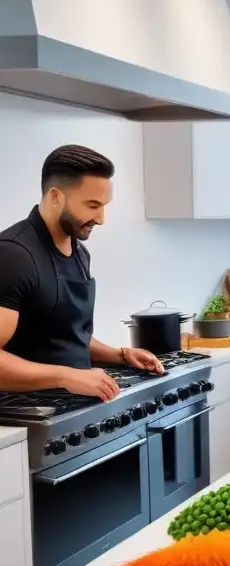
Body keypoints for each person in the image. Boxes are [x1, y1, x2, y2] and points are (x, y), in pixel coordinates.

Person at [0, 145, 164, 400]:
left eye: (103, 206)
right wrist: (67, 376)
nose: (101, 218)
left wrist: (119, 354)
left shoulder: (78, 251)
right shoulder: (13, 255)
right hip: (24, 419)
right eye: (92, 205)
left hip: (69, 405)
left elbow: (63, 336)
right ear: (56, 197)